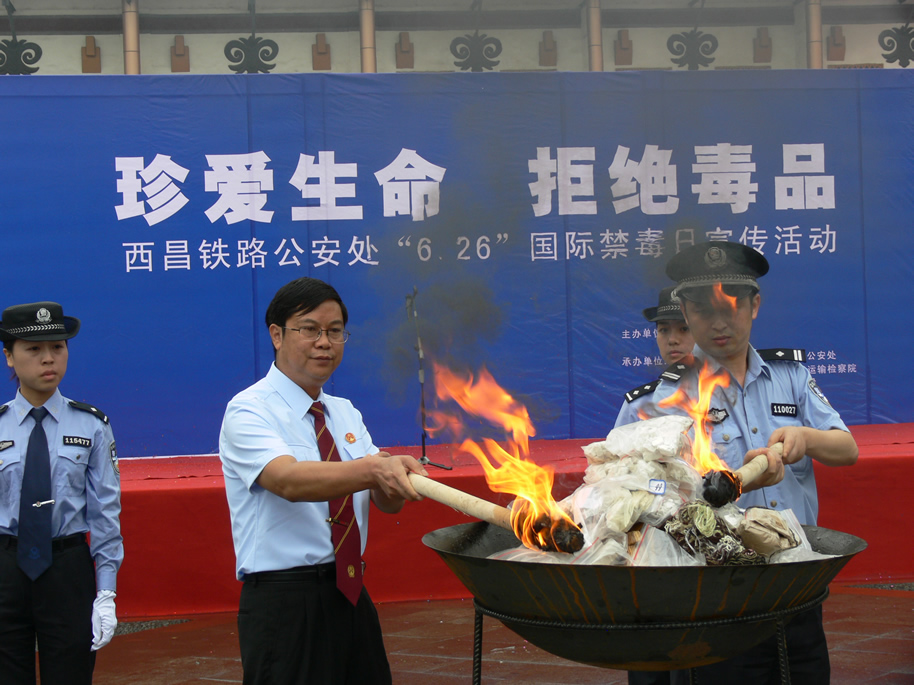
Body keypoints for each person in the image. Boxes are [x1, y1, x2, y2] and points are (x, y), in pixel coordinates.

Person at [616, 241, 858, 684]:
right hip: (713, 595)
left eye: (732, 307)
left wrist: (805, 438)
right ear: (686, 313)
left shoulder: (791, 377)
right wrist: (701, 489)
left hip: (795, 581)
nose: (719, 323)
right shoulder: (656, 403)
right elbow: (628, 495)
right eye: (703, 310)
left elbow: (848, 450)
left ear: (754, 305)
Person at [219, 276, 428, 685]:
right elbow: (288, 480)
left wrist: (394, 479)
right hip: (286, 603)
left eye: (335, 331)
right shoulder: (249, 410)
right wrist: (373, 469)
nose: (324, 343)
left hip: (351, 594)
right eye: (310, 330)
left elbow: (386, 503)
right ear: (277, 335)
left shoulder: (344, 412)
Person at [0, 302, 122, 685]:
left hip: (67, 570)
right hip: (5, 569)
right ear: (9, 356)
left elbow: (105, 514)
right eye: (33, 349)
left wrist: (106, 592)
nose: (48, 358)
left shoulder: (92, 425)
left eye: (57, 347)